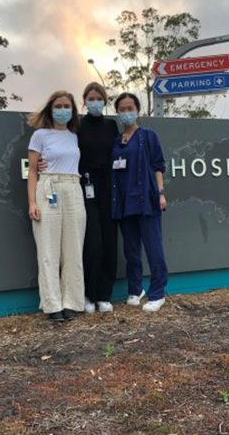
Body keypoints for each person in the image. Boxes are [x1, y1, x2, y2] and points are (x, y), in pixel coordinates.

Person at [27, 91, 86, 322]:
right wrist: (32, 202)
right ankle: (52, 305)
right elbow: (32, 171)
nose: (63, 110)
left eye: (67, 106)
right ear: (51, 109)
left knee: (73, 249)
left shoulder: (74, 136)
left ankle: (71, 301)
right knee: (48, 250)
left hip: (73, 187)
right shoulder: (39, 136)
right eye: (59, 106)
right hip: (48, 187)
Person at [111, 92, 169, 312]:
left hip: (147, 200)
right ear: (117, 113)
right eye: (122, 109)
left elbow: (158, 166)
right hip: (124, 203)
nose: (126, 113)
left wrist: (161, 193)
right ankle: (136, 289)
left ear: (137, 111)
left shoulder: (148, 136)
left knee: (153, 247)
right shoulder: (116, 141)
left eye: (130, 108)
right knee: (131, 249)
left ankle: (157, 293)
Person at [78, 82, 119, 313]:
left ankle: (104, 295)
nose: (95, 102)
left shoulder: (111, 125)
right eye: (90, 98)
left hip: (108, 187)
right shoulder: (77, 126)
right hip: (85, 186)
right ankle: (88, 294)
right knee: (92, 243)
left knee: (110, 242)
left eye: (99, 98)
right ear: (84, 100)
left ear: (104, 101)